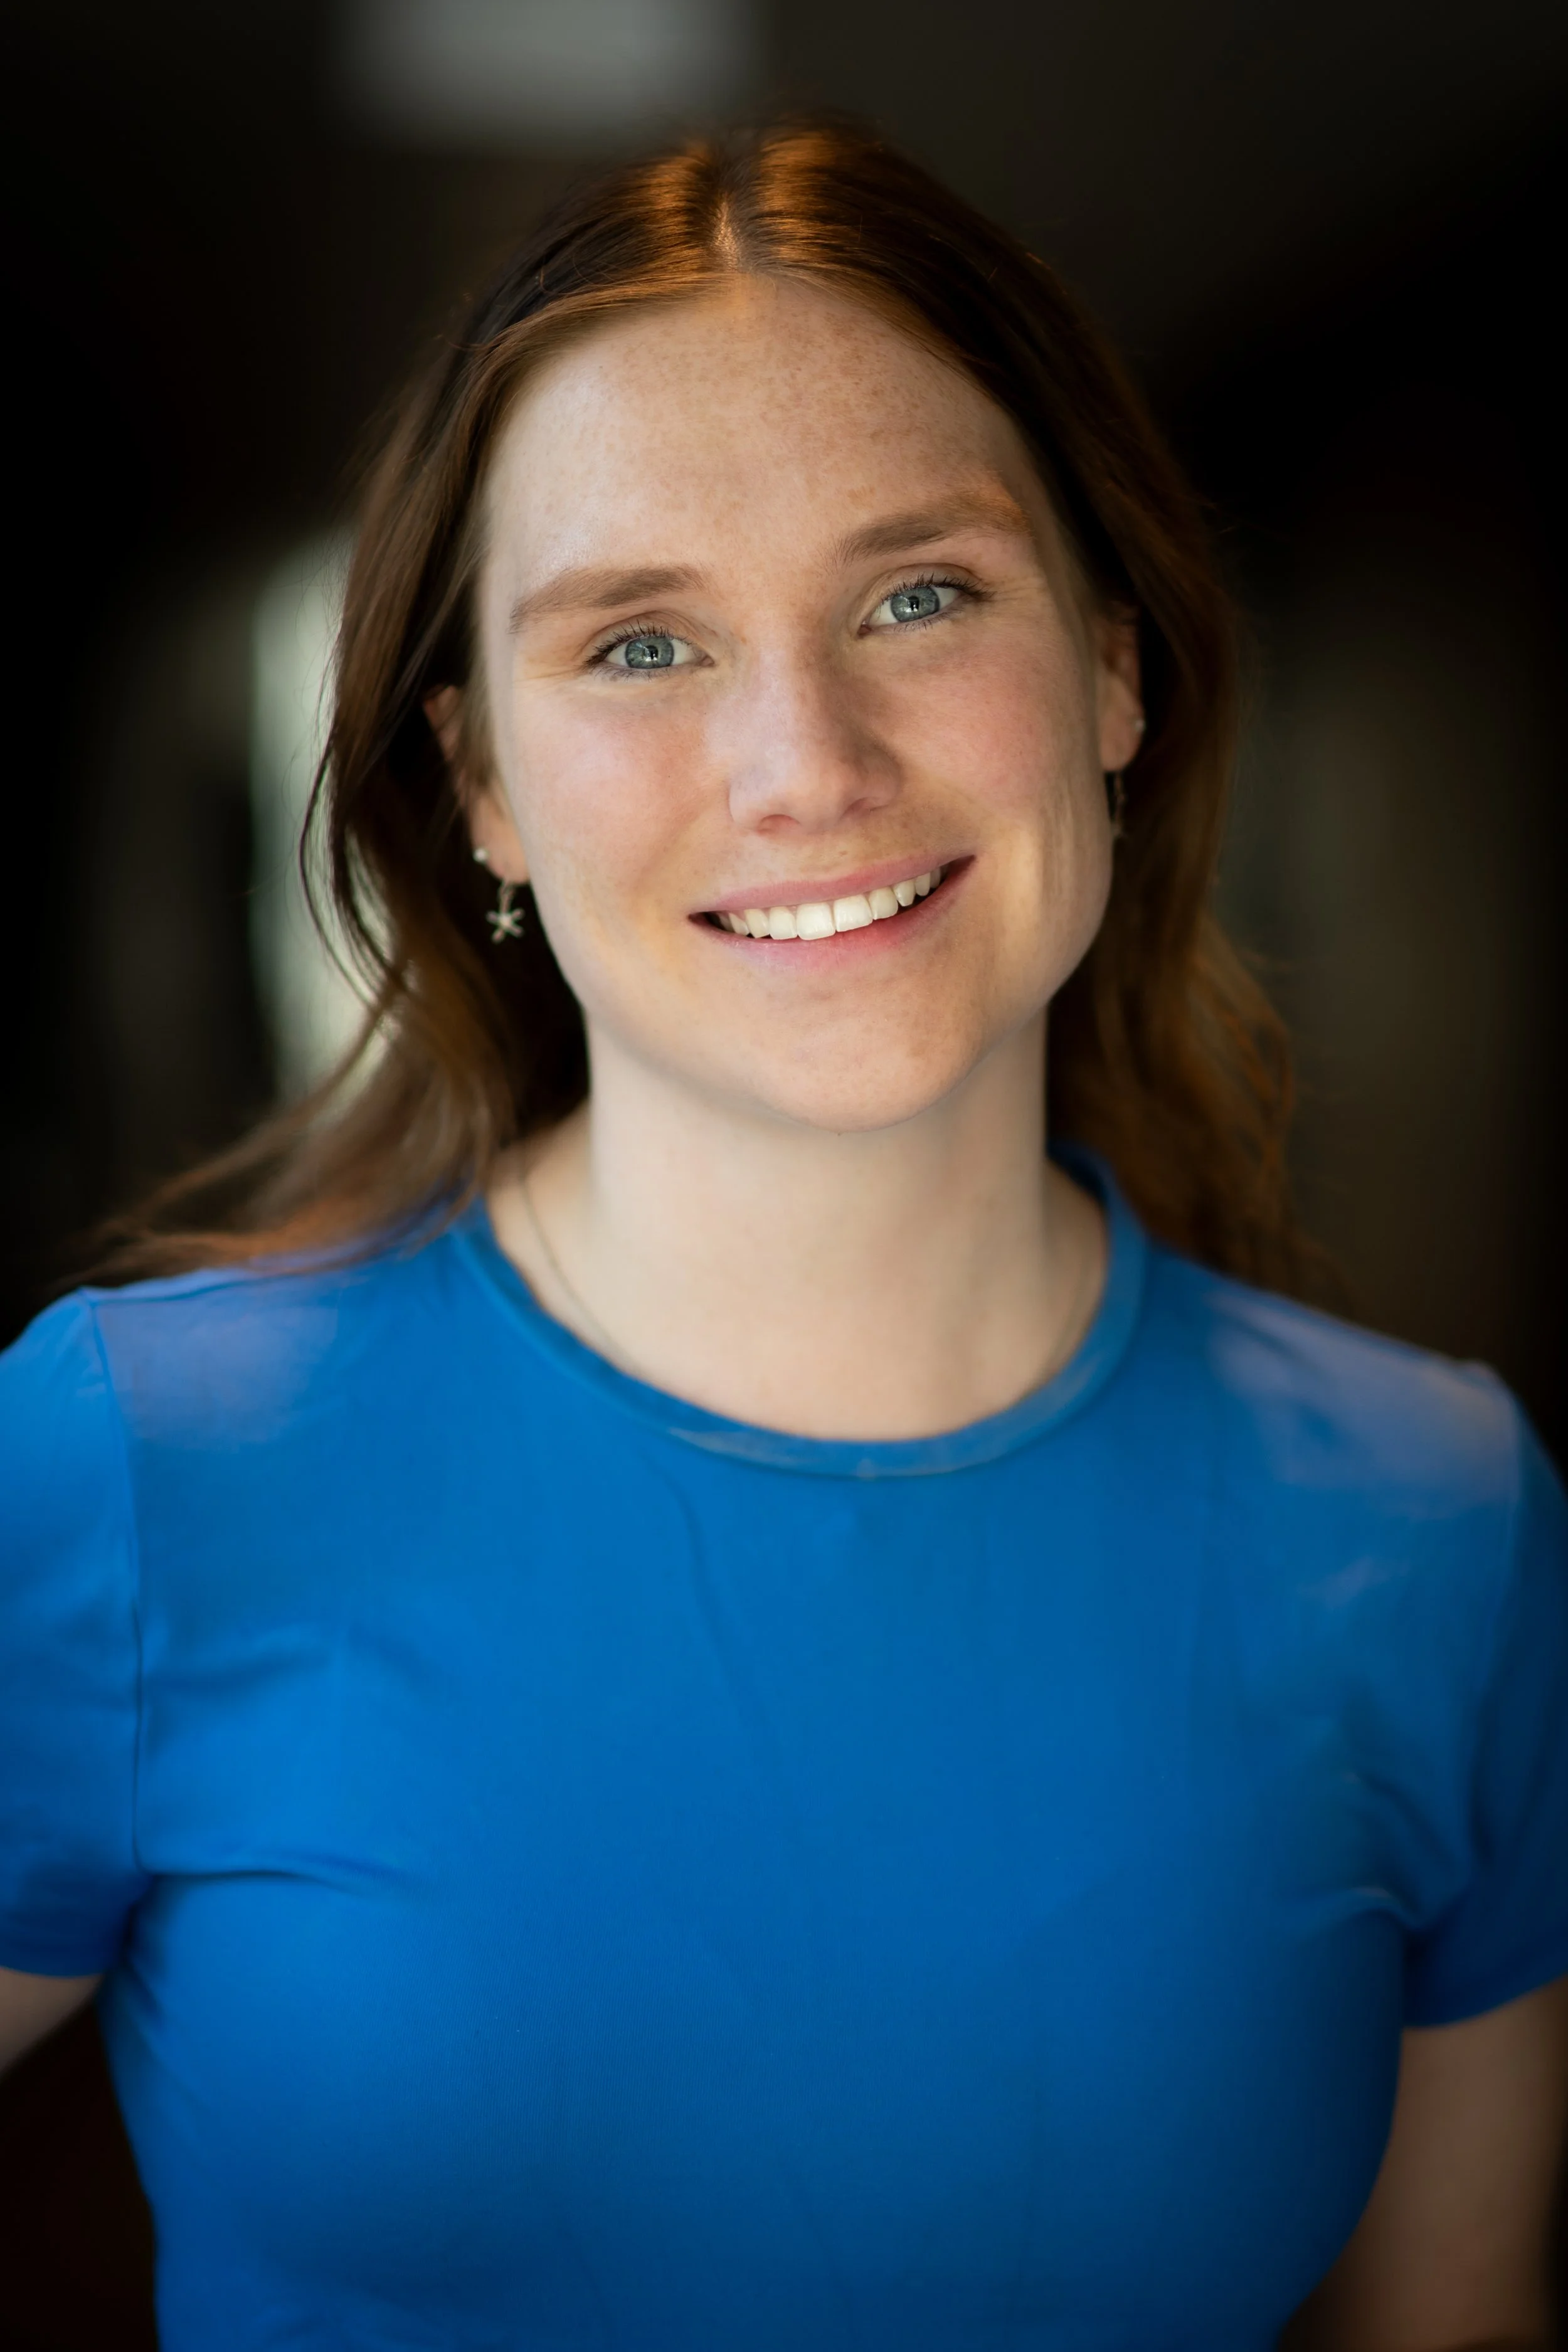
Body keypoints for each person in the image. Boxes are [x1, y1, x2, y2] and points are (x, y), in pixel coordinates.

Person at [2, 119, 1565, 2352]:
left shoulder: (1437, 1522)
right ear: (479, 782)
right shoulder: (135, 1473)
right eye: (640, 641)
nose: (803, 761)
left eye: (918, 594)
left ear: (1111, 667)